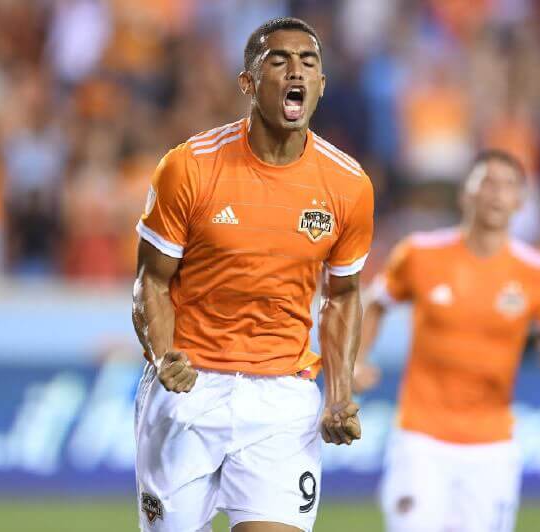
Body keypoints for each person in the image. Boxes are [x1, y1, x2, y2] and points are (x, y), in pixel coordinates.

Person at [131, 17, 373, 532]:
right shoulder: (190, 167)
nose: (296, 71)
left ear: (321, 84)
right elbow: (151, 281)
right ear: (248, 81)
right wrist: (163, 354)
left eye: (308, 62)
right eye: (279, 60)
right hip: (190, 390)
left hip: (282, 398)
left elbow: (343, 295)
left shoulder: (349, 185)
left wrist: (339, 394)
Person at [353, 150, 540, 532]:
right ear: (466, 193)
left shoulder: (538, 272)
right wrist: (356, 360)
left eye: (508, 185)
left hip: (491, 447)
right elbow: (375, 303)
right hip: (421, 438)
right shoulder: (420, 253)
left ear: (520, 202)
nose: (496, 193)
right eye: (487, 182)